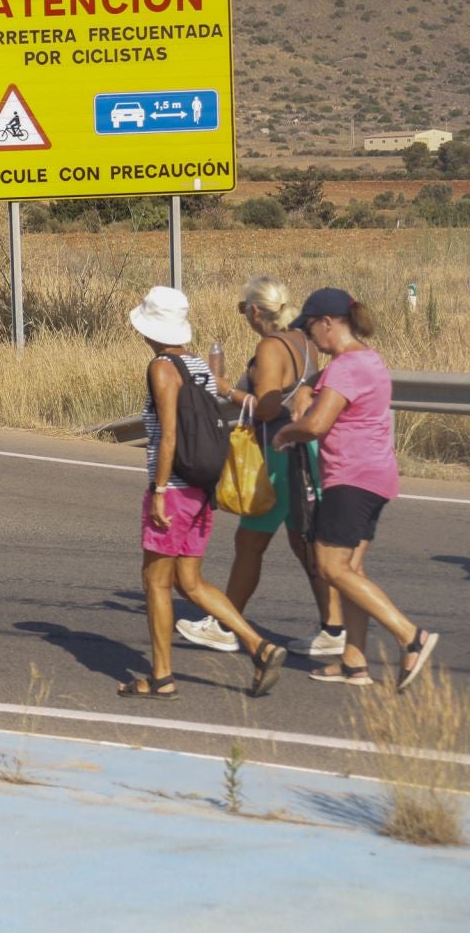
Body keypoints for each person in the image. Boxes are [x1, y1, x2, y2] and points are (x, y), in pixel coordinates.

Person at [118, 286, 286, 700]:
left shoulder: (161, 368)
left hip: (174, 488)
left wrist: (158, 490)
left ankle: (162, 677)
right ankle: (258, 645)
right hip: (201, 487)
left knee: (155, 582)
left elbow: (169, 435)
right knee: (190, 582)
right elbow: (219, 409)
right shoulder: (198, 367)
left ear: (150, 327)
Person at [274, 289, 438, 690]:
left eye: (311, 328)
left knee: (330, 568)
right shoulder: (367, 359)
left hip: (351, 479)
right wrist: (305, 388)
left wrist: (285, 433)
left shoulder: (346, 368)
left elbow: (316, 426)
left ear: (328, 323)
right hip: (376, 477)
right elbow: (322, 386)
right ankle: (354, 662)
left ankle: (410, 636)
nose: (310, 338)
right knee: (352, 570)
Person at [176, 276, 342, 657]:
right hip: (303, 453)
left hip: (277, 455)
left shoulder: (270, 346)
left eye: (241, 309)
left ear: (254, 310)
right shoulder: (303, 342)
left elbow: (267, 407)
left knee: (249, 542)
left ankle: (224, 625)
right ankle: (333, 627)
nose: (243, 316)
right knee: (303, 545)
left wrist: (225, 389)